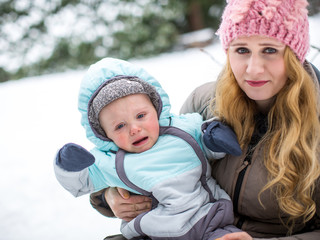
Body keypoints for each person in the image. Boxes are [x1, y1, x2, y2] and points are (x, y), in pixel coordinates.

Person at [88, 0, 320, 239]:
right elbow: (155, 160)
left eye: (269, 50)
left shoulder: (316, 122)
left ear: (295, 55)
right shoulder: (205, 102)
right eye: (242, 50)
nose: (253, 69)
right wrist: (109, 195)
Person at [54, 57, 243, 239]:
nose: (134, 129)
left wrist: (215, 137)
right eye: (120, 126)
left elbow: (204, 136)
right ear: (103, 133)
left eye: (141, 115)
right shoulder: (112, 160)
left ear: (156, 108)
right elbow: (80, 180)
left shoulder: (181, 132)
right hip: (153, 233)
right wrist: (68, 164)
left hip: (209, 220)